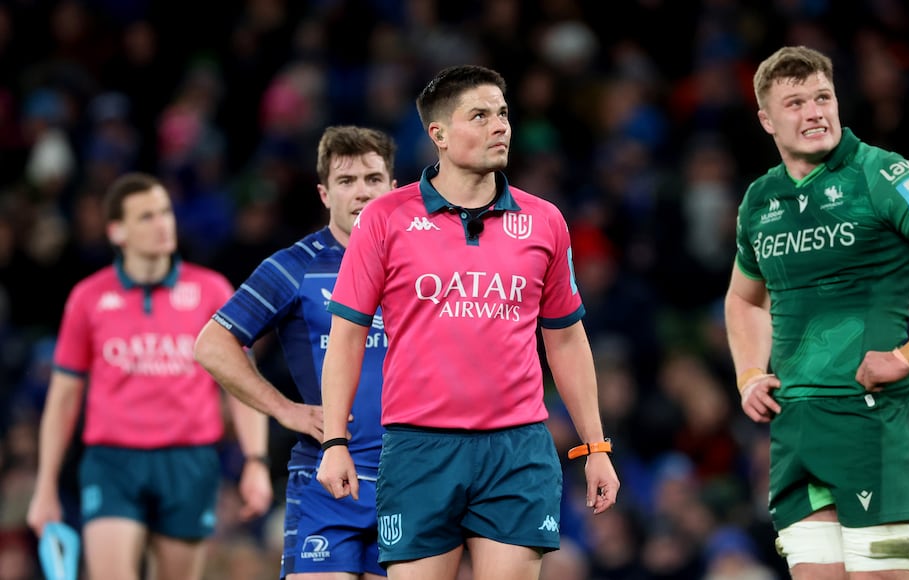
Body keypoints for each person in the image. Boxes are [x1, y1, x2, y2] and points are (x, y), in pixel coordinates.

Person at [317, 64, 620, 580]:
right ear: (438, 134)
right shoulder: (385, 219)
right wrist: (334, 443)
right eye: (479, 116)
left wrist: (595, 446)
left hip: (517, 450)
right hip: (419, 449)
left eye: (502, 114)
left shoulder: (544, 220)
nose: (499, 126)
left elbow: (566, 340)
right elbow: (345, 338)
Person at [723, 45, 909, 579]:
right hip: (796, 430)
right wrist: (749, 374)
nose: (814, 112)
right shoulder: (760, 200)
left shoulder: (882, 173)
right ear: (766, 120)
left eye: (822, 97)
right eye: (796, 103)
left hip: (872, 422)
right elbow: (743, 298)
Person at [26, 172, 274, 580]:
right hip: (112, 462)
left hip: (189, 460)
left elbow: (244, 384)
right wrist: (46, 486)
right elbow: (63, 397)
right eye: (145, 217)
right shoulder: (88, 298)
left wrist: (255, 461)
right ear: (116, 231)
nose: (162, 224)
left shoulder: (211, 290)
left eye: (164, 213)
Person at [194, 125, 398, 579]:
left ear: (394, 188)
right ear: (325, 194)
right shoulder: (295, 266)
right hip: (325, 479)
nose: (361, 193)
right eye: (347, 182)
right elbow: (212, 344)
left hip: (410, 478)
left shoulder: (422, 266)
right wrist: (285, 410)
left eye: (373, 179)